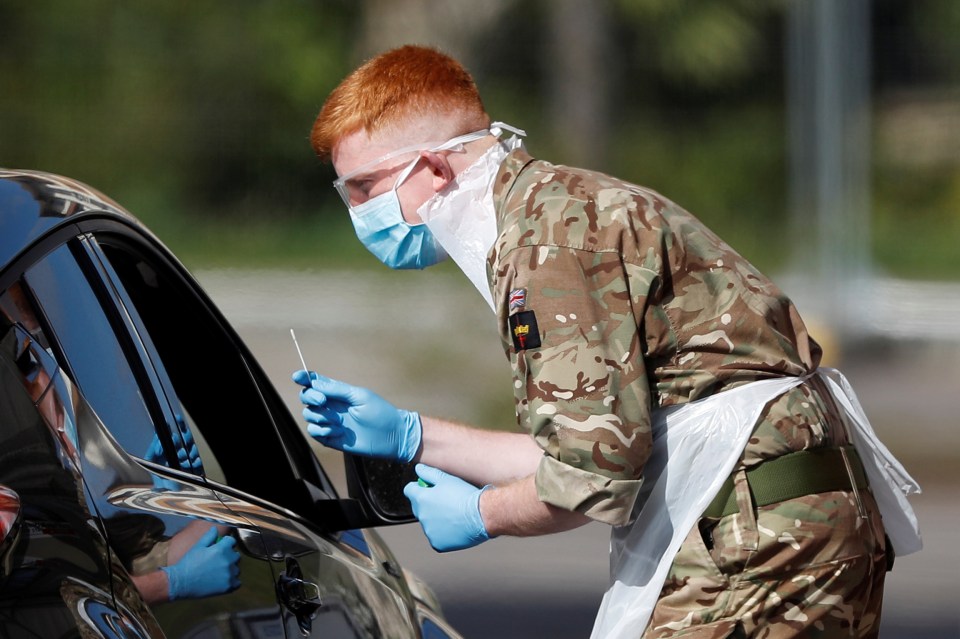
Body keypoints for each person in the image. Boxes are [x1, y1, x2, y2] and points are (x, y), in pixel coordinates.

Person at [294, 45, 920, 638]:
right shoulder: (555, 209)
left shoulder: (546, 248)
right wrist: (414, 435)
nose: (357, 212)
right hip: (787, 523)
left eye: (364, 189)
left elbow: (590, 481)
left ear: (431, 170)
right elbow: (601, 446)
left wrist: (481, 516)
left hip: (756, 539)